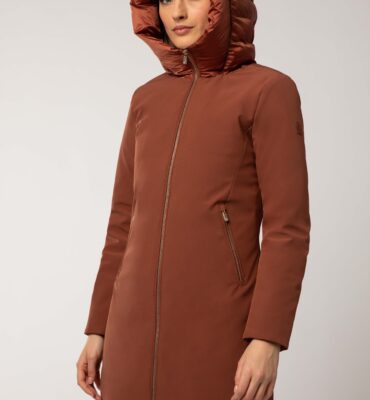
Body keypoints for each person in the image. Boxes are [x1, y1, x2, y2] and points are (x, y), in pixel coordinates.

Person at [76, 1, 311, 399]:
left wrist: (267, 338)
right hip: (129, 335)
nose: (178, 12)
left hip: (220, 332)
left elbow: (287, 228)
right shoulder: (146, 99)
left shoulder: (268, 91)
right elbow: (122, 223)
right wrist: (98, 328)